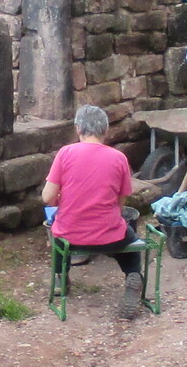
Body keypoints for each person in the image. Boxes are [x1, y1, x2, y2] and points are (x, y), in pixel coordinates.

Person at [41, 103, 147, 319]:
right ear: (105, 130)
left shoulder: (65, 153)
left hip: (70, 235)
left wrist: (61, 201)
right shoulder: (119, 158)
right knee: (130, 240)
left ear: (78, 128)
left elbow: (47, 197)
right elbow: (121, 203)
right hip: (110, 235)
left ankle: (61, 277)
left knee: (56, 230)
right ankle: (133, 274)